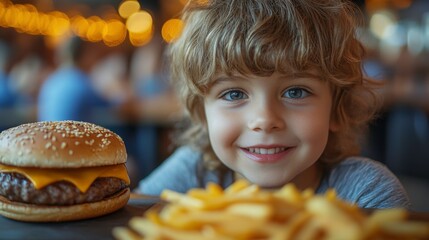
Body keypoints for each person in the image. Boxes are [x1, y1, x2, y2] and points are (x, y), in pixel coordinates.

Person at [136, 0, 410, 209]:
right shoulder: (191, 174)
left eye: (295, 92)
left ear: (336, 108)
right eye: (233, 94)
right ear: (203, 114)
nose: (265, 119)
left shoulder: (366, 194)